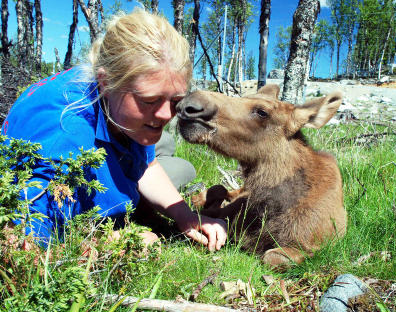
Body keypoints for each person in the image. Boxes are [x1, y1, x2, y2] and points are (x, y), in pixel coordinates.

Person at [1, 9, 227, 251]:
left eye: (174, 101)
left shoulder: (119, 98)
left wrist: (185, 215)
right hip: (73, 146)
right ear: (105, 82)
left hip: (118, 130)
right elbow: (18, 241)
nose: (166, 114)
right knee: (181, 169)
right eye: (150, 100)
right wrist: (111, 242)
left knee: (169, 148)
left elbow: (147, 164)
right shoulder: (67, 139)